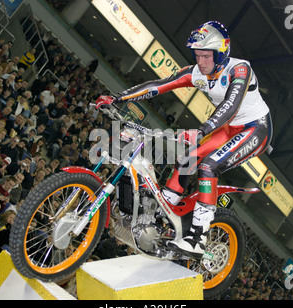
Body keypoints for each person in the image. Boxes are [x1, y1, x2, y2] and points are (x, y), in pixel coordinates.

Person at [96, 21, 273, 258]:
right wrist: (118, 98)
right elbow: (159, 86)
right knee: (187, 158)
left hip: (255, 128)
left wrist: (202, 131)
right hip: (227, 128)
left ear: (221, 53)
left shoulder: (240, 70)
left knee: (209, 165)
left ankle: (198, 237)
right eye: (197, 55)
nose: (201, 62)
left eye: (206, 56)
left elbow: (231, 105)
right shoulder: (197, 72)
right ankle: (164, 210)